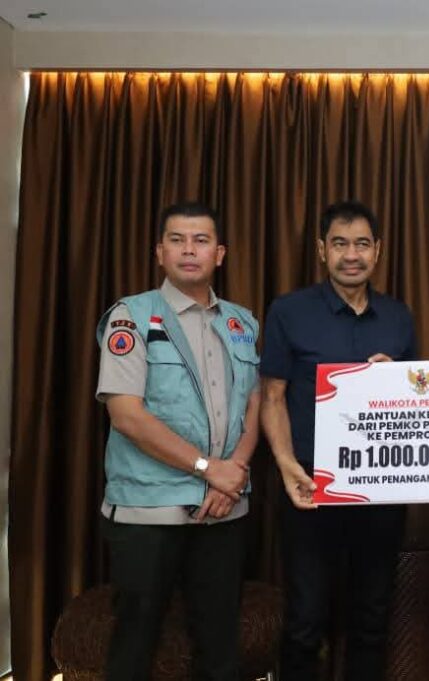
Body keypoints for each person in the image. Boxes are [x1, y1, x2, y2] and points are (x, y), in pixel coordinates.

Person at [95, 201, 260, 681]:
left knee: (220, 649)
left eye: (201, 240)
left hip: (224, 510)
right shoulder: (131, 317)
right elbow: (127, 416)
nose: (189, 250)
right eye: (177, 240)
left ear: (219, 254)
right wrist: (209, 469)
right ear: (159, 252)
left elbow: (255, 406)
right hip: (148, 513)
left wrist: (231, 475)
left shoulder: (242, 322)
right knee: (135, 646)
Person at [260, 200, 416, 680]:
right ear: (322, 250)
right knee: (306, 618)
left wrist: (397, 381)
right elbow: (272, 397)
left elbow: (415, 406)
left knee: (372, 616)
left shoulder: (398, 317)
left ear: (378, 251)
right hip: (310, 486)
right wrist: (286, 464)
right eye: (341, 244)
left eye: (362, 244)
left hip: (381, 489)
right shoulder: (289, 311)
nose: (352, 255)